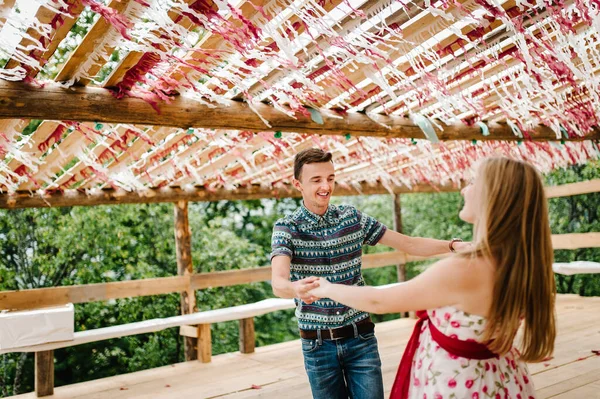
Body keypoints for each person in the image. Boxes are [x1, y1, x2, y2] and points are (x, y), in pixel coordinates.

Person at [307, 157, 557, 399]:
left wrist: (326, 287)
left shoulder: (463, 270)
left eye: (472, 182)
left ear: (493, 196)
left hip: (459, 384)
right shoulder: (521, 262)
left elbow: (378, 301)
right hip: (502, 377)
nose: (464, 191)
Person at [270, 148, 469, 399]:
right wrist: (294, 289)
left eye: (330, 178)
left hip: (360, 339)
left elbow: (408, 244)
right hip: (317, 347)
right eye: (317, 180)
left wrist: (452, 245)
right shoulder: (286, 228)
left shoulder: (352, 218)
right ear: (298, 184)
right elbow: (278, 282)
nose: (326, 186)